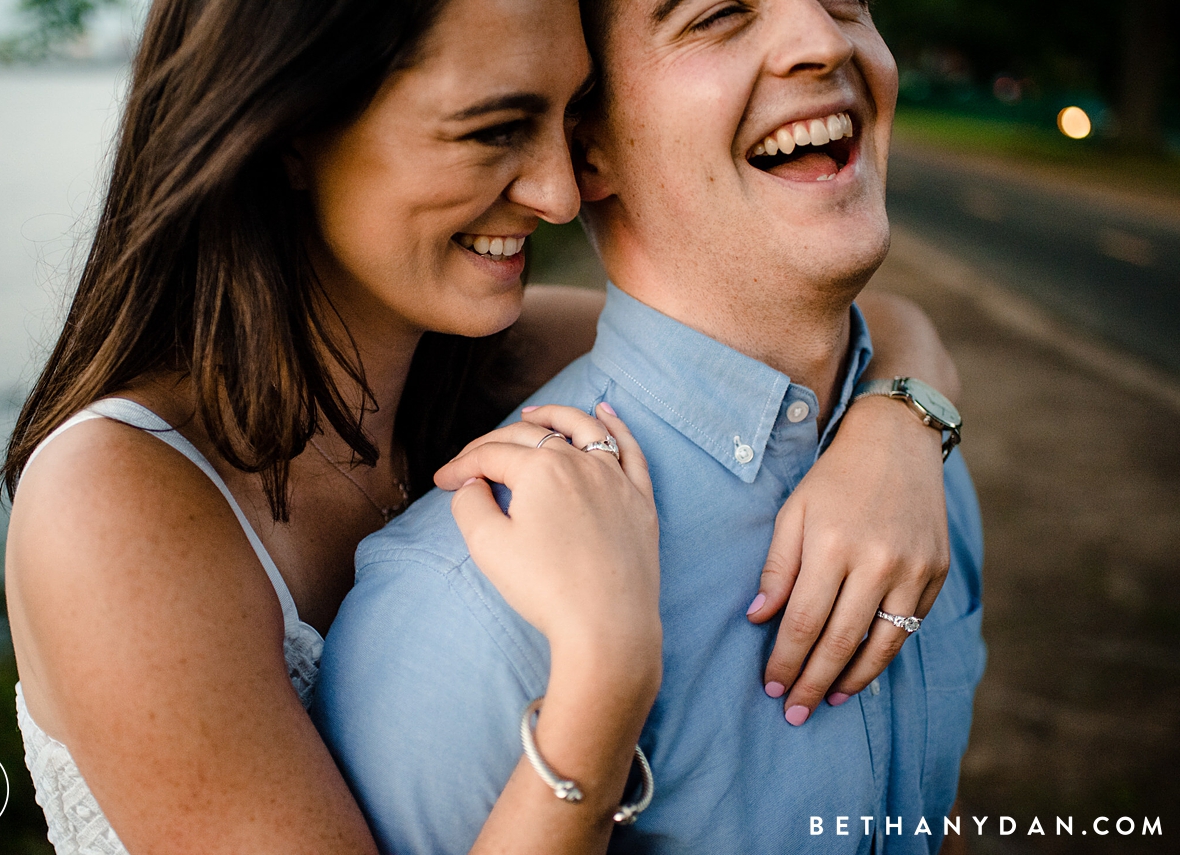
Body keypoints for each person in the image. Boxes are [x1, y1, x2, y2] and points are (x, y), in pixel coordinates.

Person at [2, 0, 962, 851]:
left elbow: (799, 343)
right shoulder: (114, 505)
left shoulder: (503, 353)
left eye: (567, 112)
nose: (557, 190)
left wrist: (901, 428)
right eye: (494, 130)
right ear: (287, 132)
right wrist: (604, 675)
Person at [314, 0, 986, 853]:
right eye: (717, 15)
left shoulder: (920, 464)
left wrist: (910, 415)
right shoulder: (462, 615)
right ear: (586, 148)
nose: (822, 39)